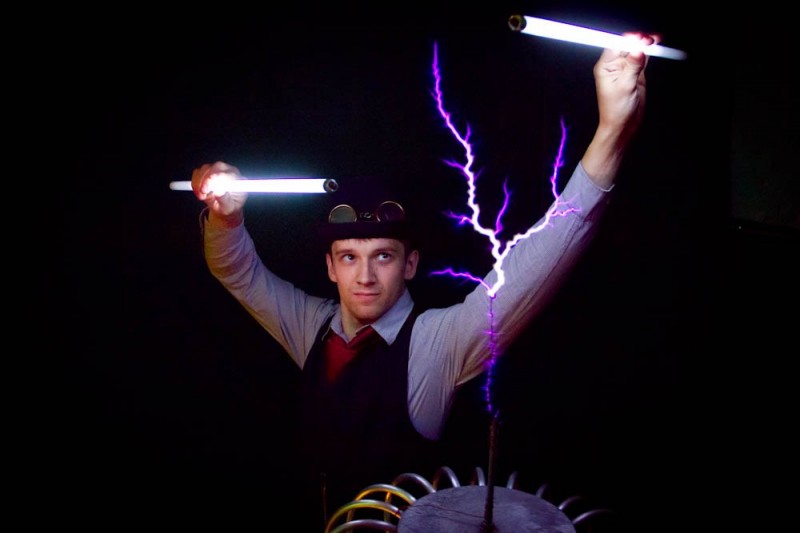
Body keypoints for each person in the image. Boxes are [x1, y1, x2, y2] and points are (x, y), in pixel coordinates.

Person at [191, 33, 656, 530]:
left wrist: (612, 134)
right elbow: (237, 271)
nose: (365, 276)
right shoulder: (311, 327)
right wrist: (225, 218)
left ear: (410, 264)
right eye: (349, 257)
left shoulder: (436, 343)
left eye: (383, 256)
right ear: (330, 267)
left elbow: (535, 265)